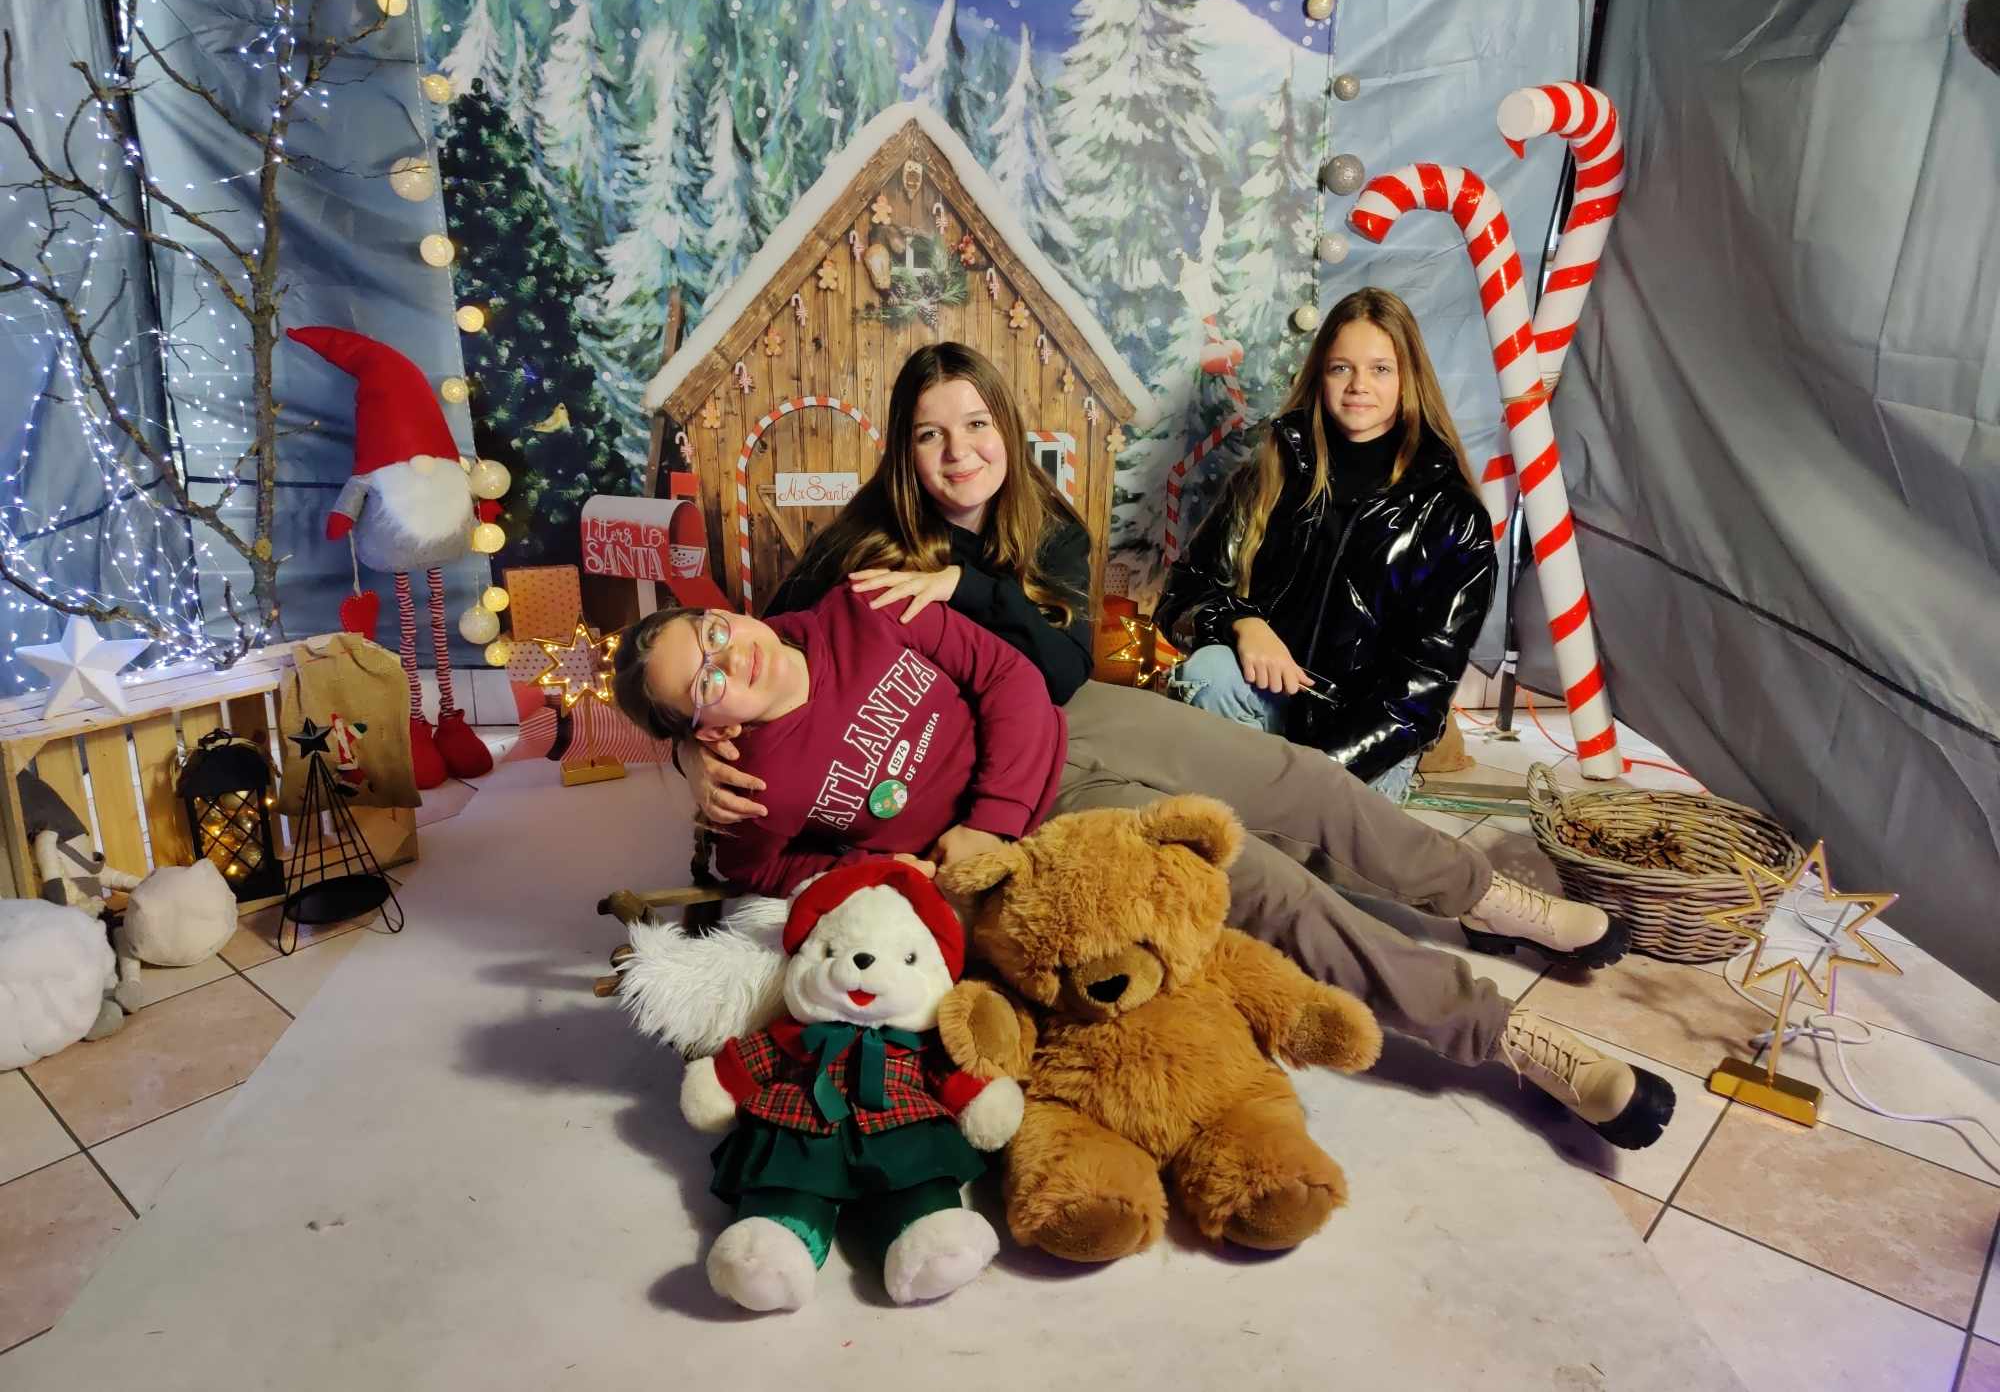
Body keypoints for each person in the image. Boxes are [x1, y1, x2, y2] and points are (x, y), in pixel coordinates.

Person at [621, 343, 1673, 1152]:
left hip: (1068, 714)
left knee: (1300, 782)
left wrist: (967, 591)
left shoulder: (1042, 524)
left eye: (975, 424)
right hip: (1027, 818)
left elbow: (1053, 670)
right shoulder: (860, 556)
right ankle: (1499, 1035)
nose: (958, 453)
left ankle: (1487, 899)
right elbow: (752, 658)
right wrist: (698, 760)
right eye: (930, 435)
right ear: (901, 447)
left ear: (1004, 426)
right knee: (1258, 886)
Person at [1158, 286, 1498, 809]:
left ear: (1408, 378)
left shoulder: (1452, 515)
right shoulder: (1268, 478)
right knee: (1210, 673)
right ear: (1320, 374)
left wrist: (1316, 775)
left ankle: (1266, 804)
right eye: (1342, 368)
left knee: (1300, 840)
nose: (1359, 386)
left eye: (1380, 369)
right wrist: (1240, 624)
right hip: (1269, 705)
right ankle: (1242, 802)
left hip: (1366, 741)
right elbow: (1180, 595)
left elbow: (1423, 685)